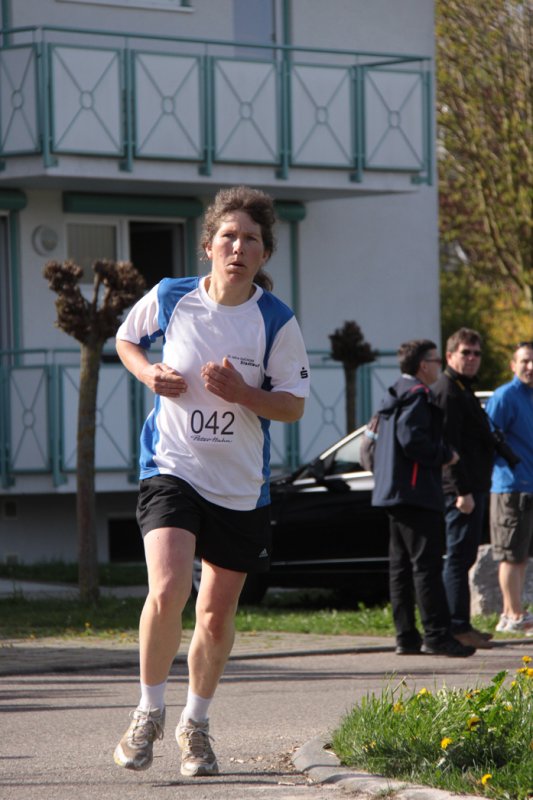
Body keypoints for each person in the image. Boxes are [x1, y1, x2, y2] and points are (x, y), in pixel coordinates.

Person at [113, 186, 310, 776]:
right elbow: (126, 339)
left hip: (240, 486)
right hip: (172, 468)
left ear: (264, 254)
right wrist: (148, 373)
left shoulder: (276, 321)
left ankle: (195, 726)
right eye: (228, 236)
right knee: (169, 588)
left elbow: (293, 405)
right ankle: (147, 712)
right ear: (208, 245)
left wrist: (244, 394)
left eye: (251, 239)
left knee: (216, 616)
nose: (238, 247)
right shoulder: (171, 297)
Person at [371, 339, 475, 657]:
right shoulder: (417, 395)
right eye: (436, 360)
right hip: (416, 493)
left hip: (392, 492)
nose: (439, 366)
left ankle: (406, 637)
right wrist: (446, 455)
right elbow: (412, 439)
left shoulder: (394, 393)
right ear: (423, 365)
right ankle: (437, 635)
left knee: (401, 569)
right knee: (426, 566)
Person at [432, 328, 494, 650]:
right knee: (457, 557)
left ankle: (462, 623)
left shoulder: (463, 389)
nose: (471, 358)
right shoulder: (448, 391)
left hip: (475, 485)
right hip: (461, 491)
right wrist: (461, 491)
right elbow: (448, 447)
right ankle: (456, 626)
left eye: (476, 353)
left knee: (465, 556)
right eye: (465, 353)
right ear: (450, 356)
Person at [485, 342, 533, 635]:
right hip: (510, 487)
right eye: (525, 361)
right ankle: (514, 615)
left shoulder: (530, 397)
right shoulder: (505, 396)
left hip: (529, 486)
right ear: (513, 365)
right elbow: (489, 439)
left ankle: (510, 614)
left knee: (521, 555)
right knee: (510, 555)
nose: (531, 367)